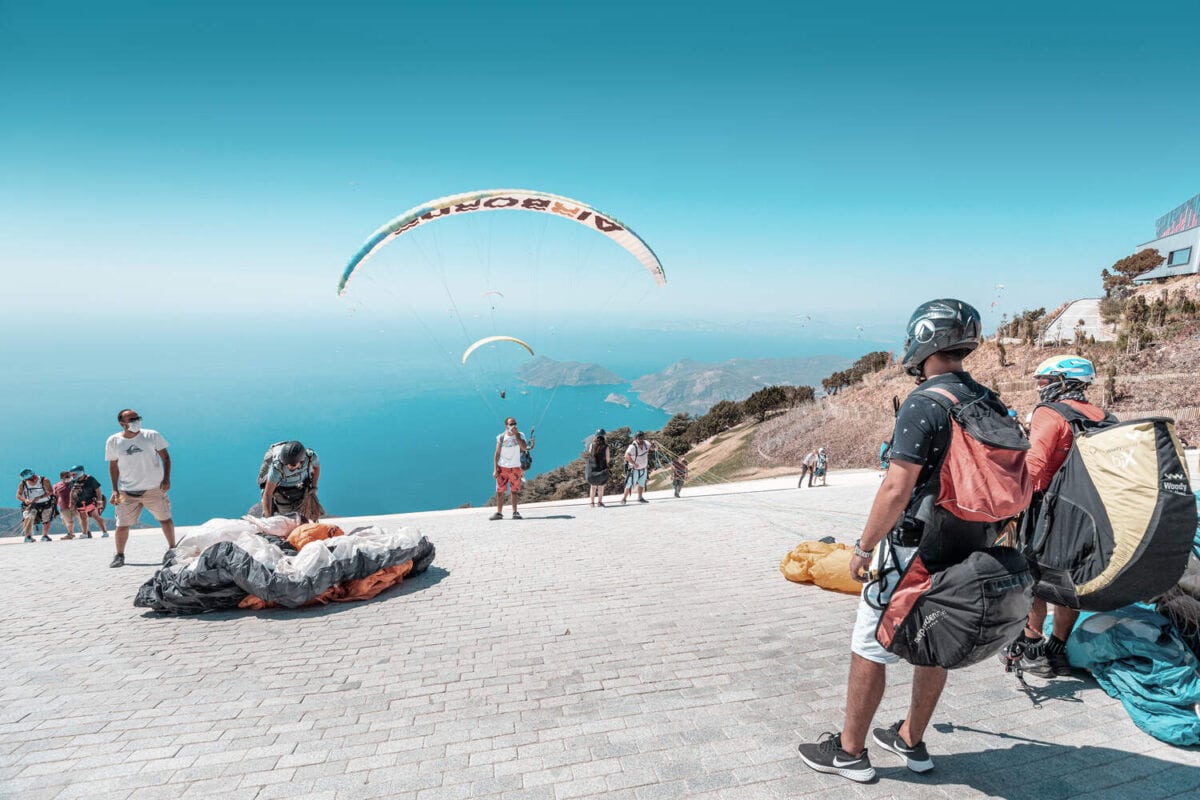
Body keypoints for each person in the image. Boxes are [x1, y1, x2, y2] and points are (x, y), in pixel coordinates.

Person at [798, 298, 993, 783]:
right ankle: (911, 740)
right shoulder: (985, 399)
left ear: (923, 338)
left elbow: (896, 487)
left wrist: (864, 548)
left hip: (913, 547)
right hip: (968, 547)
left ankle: (849, 754)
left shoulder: (924, 401)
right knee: (937, 643)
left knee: (869, 644)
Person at [998, 356, 1110, 678]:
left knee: (1033, 579)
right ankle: (1057, 650)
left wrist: (1007, 507)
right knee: (1070, 583)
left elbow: (1032, 471)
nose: (1039, 387)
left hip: (1048, 514)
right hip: (1088, 516)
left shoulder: (1050, 414)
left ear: (1062, 382)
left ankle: (1032, 649)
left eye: (1044, 381)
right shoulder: (1102, 416)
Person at [105, 409, 174, 568]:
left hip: (154, 489)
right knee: (121, 524)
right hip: (126, 492)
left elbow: (166, 457)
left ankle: (172, 549)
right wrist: (114, 490)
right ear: (122, 423)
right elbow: (113, 466)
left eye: (137, 418)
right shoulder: (113, 441)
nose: (136, 421)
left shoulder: (152, 435)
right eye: (131, 419)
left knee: (165, 519)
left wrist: (166, 479)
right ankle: (119, 555)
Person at [260, 441, 323, 521]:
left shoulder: (311, 457)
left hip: (300, 485)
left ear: (302, 461)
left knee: (305, 516)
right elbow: (268, 494)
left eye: (292, 465)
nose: (288, 466)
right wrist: (268, 519)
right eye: (286, 464)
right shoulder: (277, 468)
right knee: (287, 516)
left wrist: (314, 487)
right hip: (281, 487)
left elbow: (316, 468)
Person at [492, 416, 531, 520]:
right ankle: (499, 513)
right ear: (506, 426)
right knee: (500, 492)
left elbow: (524, 448)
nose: (513, 426)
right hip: (502, 468)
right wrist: (495, 469)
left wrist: (517, 435)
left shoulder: (520, 435)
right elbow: (497, 454)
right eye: (511, 424)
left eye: (514, 423)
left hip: (515, 467)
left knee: (514, 491)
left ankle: (515, 512)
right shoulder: (501, 437)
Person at [16, 469, 55, 542]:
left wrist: (40, 497)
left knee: (46, 519)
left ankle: (45, 535)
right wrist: (25, 500)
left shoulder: (44, 480)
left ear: (33, 476)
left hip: (45, 503)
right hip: (30, 504)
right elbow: (18, 495)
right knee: (27, 518)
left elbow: (50, 492)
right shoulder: (23, 483)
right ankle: (27, 537)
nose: (28, 481)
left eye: (29, 479)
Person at [70, 464, 108, 539]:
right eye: (72, 474)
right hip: (80, 503)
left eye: (74, 474)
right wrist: (71, 502)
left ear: (80, 472)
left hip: (91, 502)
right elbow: (72, 492)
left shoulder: (90, 479)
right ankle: (85, 534)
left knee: (96, 516)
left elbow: (98, 491)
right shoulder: (73, 481)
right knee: (83, 518)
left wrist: (100, 501)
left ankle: (105, 532)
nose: (73, 476)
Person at [621, 431, 654, 504]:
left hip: (643, 468)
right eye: (639, 438)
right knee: (629, 484)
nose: (641, 440)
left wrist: (653, 445)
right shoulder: (632, 446)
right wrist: (634, 463)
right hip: (634, 469)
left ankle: (640, 497)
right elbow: (626, 456)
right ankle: (624, 498)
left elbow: (652, 449)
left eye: (642, 438)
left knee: (641, 483)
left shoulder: (646, 443)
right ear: (636, 438)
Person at [585, 429, 611, 508]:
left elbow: (590, 454)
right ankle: (599, 502)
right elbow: (608, 459)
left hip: (592, 469)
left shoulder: (591, 445)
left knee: (593, 487)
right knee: (601, 487)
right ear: (604, 436)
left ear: (596, 436)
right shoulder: (606, 447)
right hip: (601, 469)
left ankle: (592, 503)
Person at [53, 471, 80, 540]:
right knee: (68, 521)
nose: (69, 478)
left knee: (82, 518)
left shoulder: (75, 483)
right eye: (67, 476)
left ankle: (86, 532)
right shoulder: (56, 486)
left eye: (69, 476)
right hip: (63, 506)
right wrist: (54, 508)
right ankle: (70, 534)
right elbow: (55, 497)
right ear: (61, 478)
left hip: (76, 505)